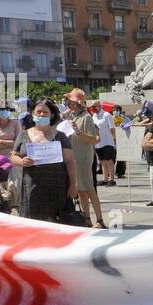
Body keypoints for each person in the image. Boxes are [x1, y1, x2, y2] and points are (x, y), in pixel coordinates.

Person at [10, 98, 76, 223]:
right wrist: (22, 162)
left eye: (45, 112)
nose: (41, 114)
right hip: (32, 188)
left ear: (52, 115)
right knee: (33, 222)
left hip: (58, 187)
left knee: (57, 223)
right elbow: (13, 157)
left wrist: (73, 186)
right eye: (38, 112)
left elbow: (70, 162)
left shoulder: (60, 136)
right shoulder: (23, 135)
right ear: (33, 114)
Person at [65, 89, 106, 228]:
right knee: (81, 189)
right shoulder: (74, 116)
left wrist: (78, 132)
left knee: (88, 188)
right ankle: (87, 218)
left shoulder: (86, 117)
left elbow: (94, 139)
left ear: (76, 103)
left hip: (83, 157)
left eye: (69, 101)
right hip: (75, 156)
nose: (67, 104)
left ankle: (99, 219)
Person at [0, 101, 22, 207]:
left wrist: (1, 142)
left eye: (7, 109)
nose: (4, 111)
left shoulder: (16, 123)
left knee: (16, 181)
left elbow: (19, 144)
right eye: (1, 109)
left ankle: (15, 203)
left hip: (12, 157)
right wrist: (11, 143)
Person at [93, 101, 118, 186]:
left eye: (94, 106)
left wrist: (114, 139)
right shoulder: (94, 116)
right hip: (98, 142)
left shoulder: (106, 115)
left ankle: (112, 179)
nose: (93, 108)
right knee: (102, 161)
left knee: (109, 160)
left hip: (107, 141)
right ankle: (105, 179)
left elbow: (112, 128)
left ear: (99, 106)